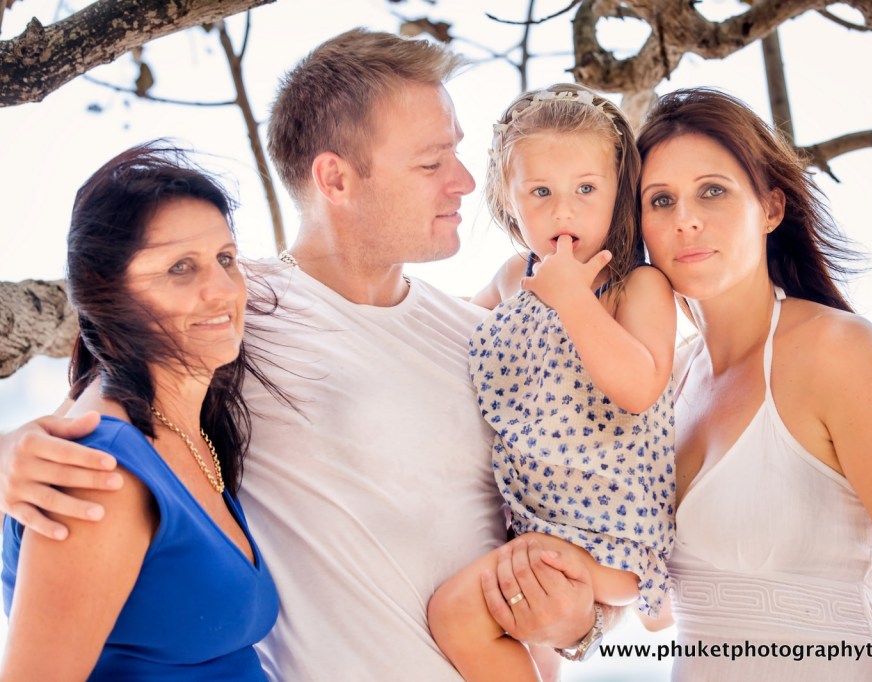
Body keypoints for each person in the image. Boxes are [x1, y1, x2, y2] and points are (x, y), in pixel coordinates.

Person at [0, 29, 597, 681]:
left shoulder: (484, 340)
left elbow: (575, 529)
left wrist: (580, 626)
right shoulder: (238, 313)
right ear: (335, 178)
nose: (462, 183)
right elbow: (98, 426)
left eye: (457, 154)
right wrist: (8, 454)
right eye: (431, 163)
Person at [636, 87, 872, 681]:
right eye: (660, 200)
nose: (685, 218)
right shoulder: (662, 381)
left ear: (770, 208)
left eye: (712, 190)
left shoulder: (836, 353)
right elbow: (659, 612)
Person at [0, 143, 279, 679]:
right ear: (108, 297)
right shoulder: (101, 473)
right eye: (180, 268)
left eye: (226, 258)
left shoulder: (184, 428)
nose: (222, 290)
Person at [427, 84, 677, 680]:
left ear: (618, 194)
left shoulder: (636, 287)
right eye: (541, 192)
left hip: (606, 536)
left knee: (459, 615)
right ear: (509, 202)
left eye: (585, 190)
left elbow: (639, 387)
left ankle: (654, 596)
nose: (564, 212)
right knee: (531, 649)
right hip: (528, 516)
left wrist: (575, 302)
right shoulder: (518, 275)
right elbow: (451, 318)